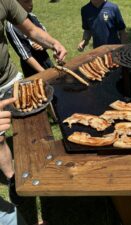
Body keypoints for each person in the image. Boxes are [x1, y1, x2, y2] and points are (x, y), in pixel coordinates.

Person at [0, 0, 67, 223]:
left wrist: (53, 42)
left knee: (35, 127)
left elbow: (30, 29)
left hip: (10, 80)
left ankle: (48, 177)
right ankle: (12, 178)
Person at [6, 0, 54, 77]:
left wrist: (43, 45)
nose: (30, 4)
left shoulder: (32, 17)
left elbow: (44, 36)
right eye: (26, 2)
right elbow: (26, 56)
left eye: (31, 1)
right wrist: (44, 73)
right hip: (33, 70)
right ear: (16, 4)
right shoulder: (12, 26)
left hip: (46, 61)